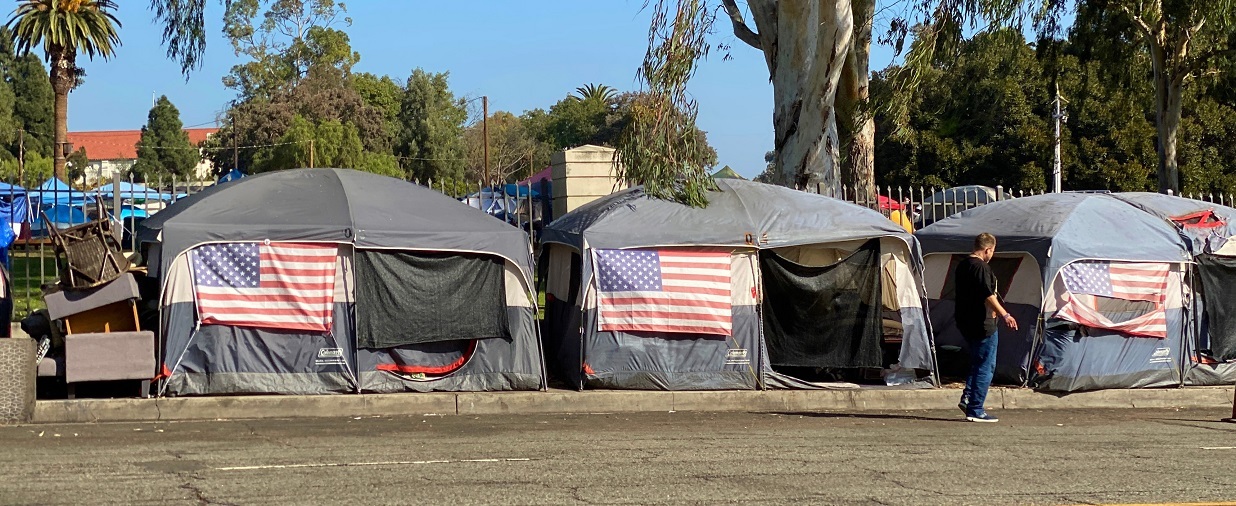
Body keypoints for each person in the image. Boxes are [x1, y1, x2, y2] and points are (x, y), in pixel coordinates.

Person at [953, 232, 1017, 422]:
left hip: (965, 320)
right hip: (982, 322)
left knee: (976, 361)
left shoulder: (963, 265)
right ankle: (976, 408)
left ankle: (968, 398)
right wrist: (1005, 314)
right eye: (992, 251)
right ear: (988, 249)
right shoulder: (980, 267)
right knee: (986, 366)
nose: (992, 255)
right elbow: (987, 294)